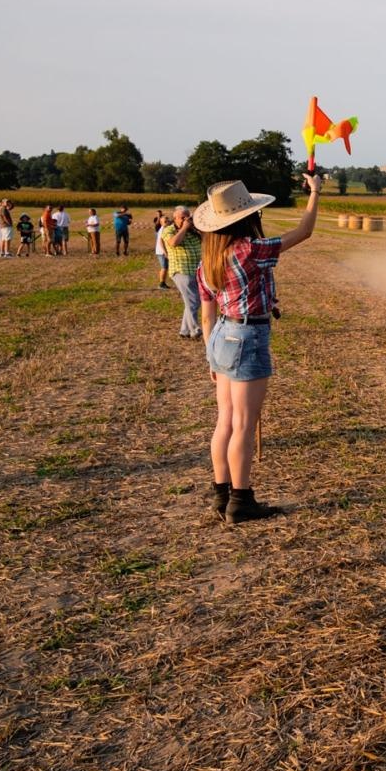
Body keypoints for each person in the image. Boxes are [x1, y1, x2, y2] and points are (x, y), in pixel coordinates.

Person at [196, 174, 323, 524]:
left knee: (225, 420)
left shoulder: (207, 261)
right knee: (243, 424)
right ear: (248, 217)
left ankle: (221, 495)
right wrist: (314, 192)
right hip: (247, 337)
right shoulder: (251, 250)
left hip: (221, 336)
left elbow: (206, 316)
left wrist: (211, 357)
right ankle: (241, 501)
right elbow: (304, 231)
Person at [162, 206, 204, 339]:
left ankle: (184, 330)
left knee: (191, 301)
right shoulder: (169, 230)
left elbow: (206, 239)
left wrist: (197, 226)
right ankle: (195, 330)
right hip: (181, 270)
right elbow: (174, 243)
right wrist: (184, 228)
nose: (186, 220)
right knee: (194, 300)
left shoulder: (192, 231)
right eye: (182, 218)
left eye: (188, 217)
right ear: (175, 218)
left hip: (195, 270)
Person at [153, 210, 170, 288]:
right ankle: (161, 284)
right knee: (164, 268)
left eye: (167, 220)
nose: (167, 222)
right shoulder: (163, 229)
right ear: (161, 223)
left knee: (165, 268)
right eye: (165, 221)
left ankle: (163, 283)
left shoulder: (166, 228)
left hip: (163, 252)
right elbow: (161, 242)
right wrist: (165, 252)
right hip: (161, 252)